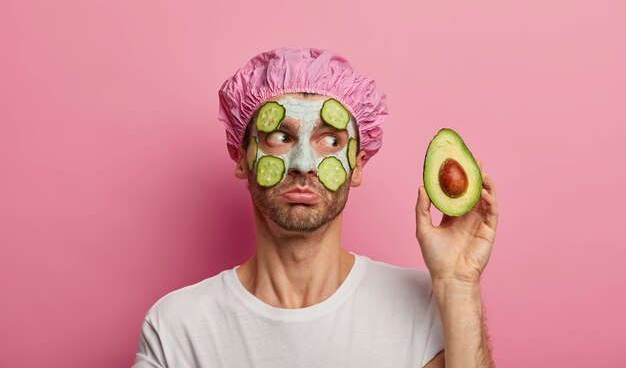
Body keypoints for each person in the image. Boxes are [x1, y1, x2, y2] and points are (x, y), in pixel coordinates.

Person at [132, 47, 499, 368]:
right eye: (279, 136)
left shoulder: (427, 307)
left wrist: (459, 285)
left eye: (329, 139)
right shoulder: (176, 327)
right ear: (242, 158)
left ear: (357, 165)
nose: (303, 163)